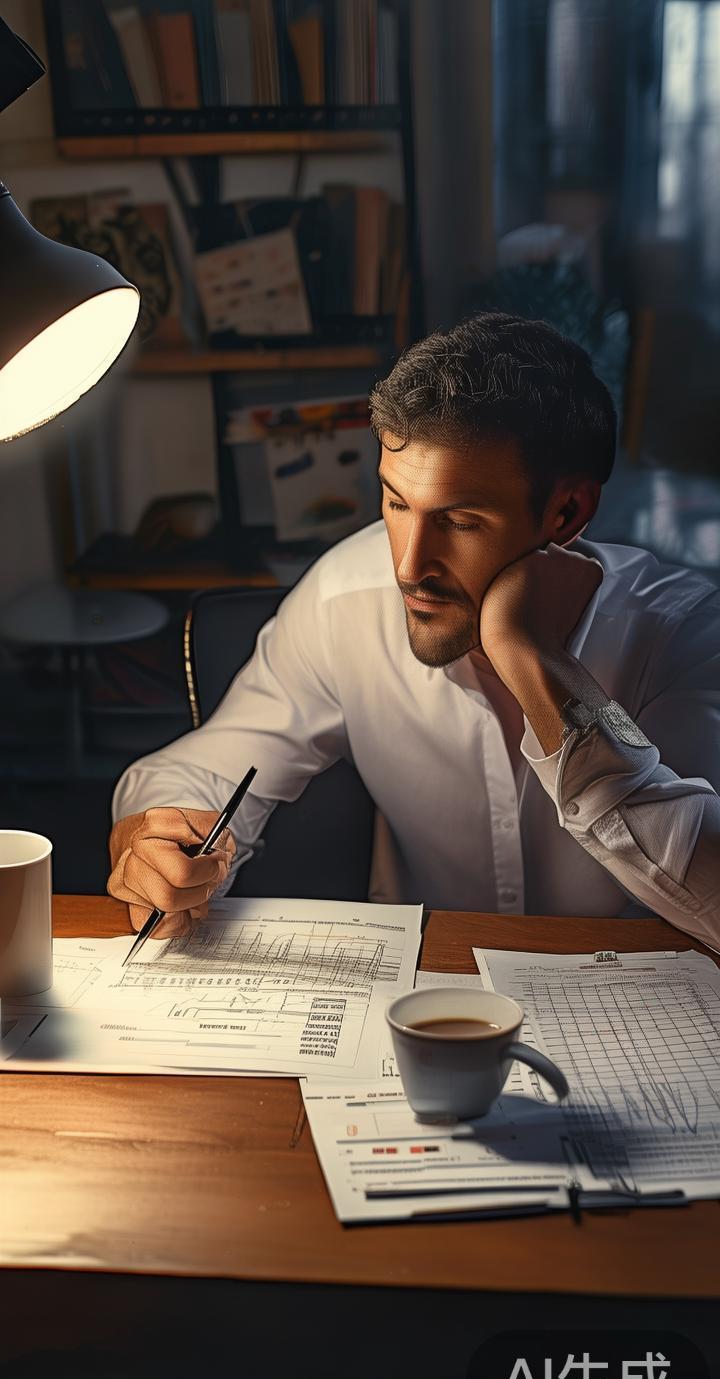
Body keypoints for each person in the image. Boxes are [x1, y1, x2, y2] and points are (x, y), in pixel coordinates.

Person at [108, 313, 720, 951]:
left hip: (638, 1019)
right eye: (397, 504)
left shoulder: (685, 635)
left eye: (459, 521)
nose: (408, 567)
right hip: (415, 1007)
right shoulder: (344, 599)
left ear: (566, 512)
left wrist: (530, 659)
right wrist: (151, 840)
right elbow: (200, 772)